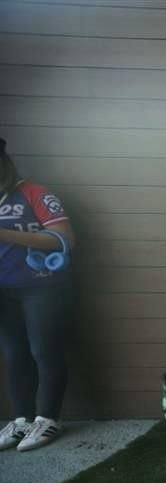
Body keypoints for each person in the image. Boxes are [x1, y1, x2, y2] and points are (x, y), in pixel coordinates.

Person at [0, 137, 77, 453]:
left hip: (42, 286)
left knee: (43, 350)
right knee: (14, 353)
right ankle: (21, 419)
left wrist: (4, 233)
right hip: (4, 291)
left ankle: (47, 418)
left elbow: (65, 239)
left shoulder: (34, 193)